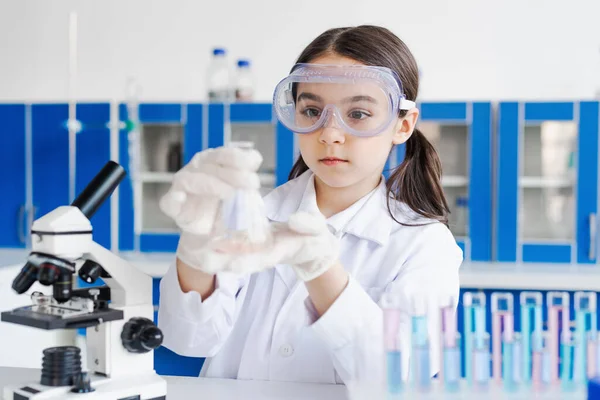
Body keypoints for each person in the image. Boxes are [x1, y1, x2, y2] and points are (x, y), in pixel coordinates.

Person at [157, 25, 463, 384]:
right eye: (311, 110)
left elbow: (397, 376)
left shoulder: (424, 245)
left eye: (359, 114)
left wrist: (320, 269)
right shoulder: (254, 215)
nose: (329, 133)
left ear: (403, 124)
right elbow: (188, 339)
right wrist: (195, 249)